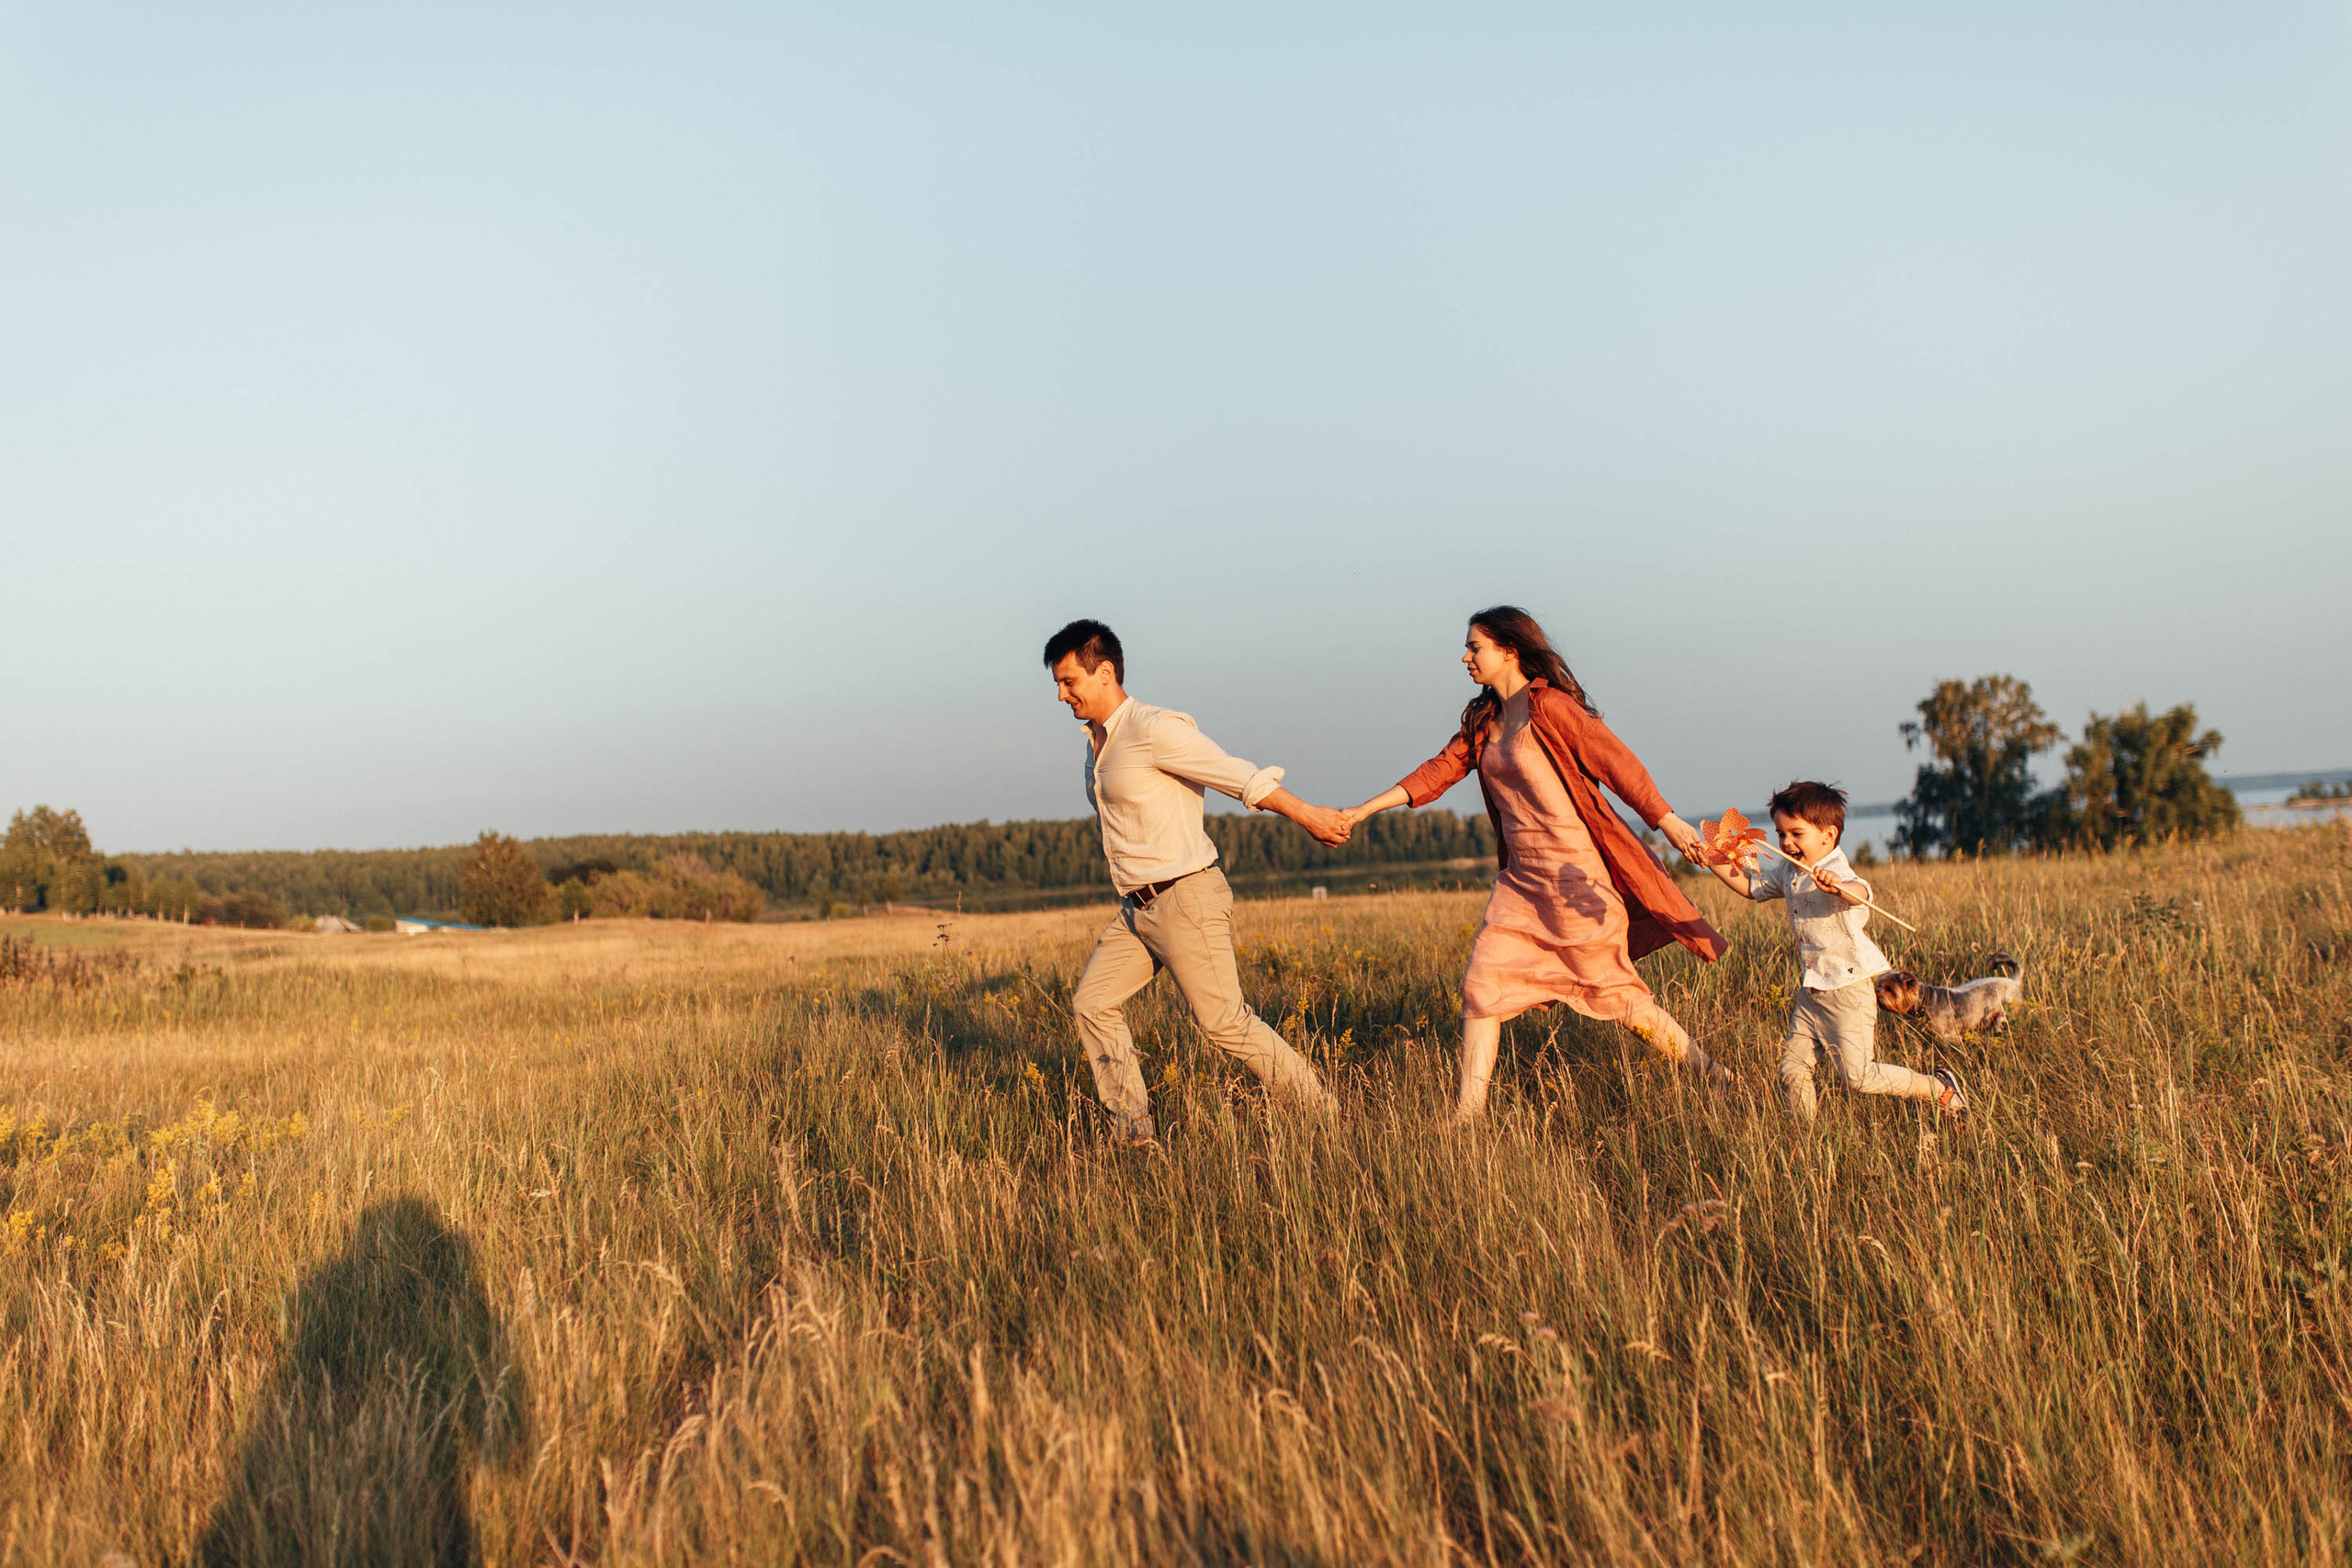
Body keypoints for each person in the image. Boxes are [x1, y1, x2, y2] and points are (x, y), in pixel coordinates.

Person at [1341, 606, 1731, 1119]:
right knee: (1483, 985)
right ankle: (1467, 1119)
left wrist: (1670, 822)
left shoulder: (1552, 708)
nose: (1465, 657)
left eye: (1473, 647)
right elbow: (1438, 770)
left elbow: (1619, 765)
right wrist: (1363, 810)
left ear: (1508, 650)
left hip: (1577, 880)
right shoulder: (1484, 722)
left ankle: (1712, 1074)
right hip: (1521, 883)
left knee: (1615, 994)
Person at [1046, 618, 1348, 1144]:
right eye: (1057, 682)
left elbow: (1239, 777)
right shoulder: (1095, 743)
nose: (1061, 694)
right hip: (1137, 909)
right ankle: (1135, 1134)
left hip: (1185, 896)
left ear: (1105, 672)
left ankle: (1323, 1117)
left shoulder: (1155, 728)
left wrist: (1309, 816)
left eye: (1069, 680)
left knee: (1225, 1023)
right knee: (1092, 1003)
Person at [1690, 780, 1968, 1122]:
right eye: (1780, 834)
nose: (1787, 843)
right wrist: (1712, 858)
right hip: (1812, 991)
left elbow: (1861, 893)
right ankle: (1803, 1138)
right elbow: (1751, 887)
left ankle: (1938, 1088)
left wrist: (1838, 887)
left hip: (1848, 990)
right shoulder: (1790, 871)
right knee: (1793, 1069)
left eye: (1796, 834)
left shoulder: (1836, 870)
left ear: (1829, 835)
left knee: (1858, 1077)